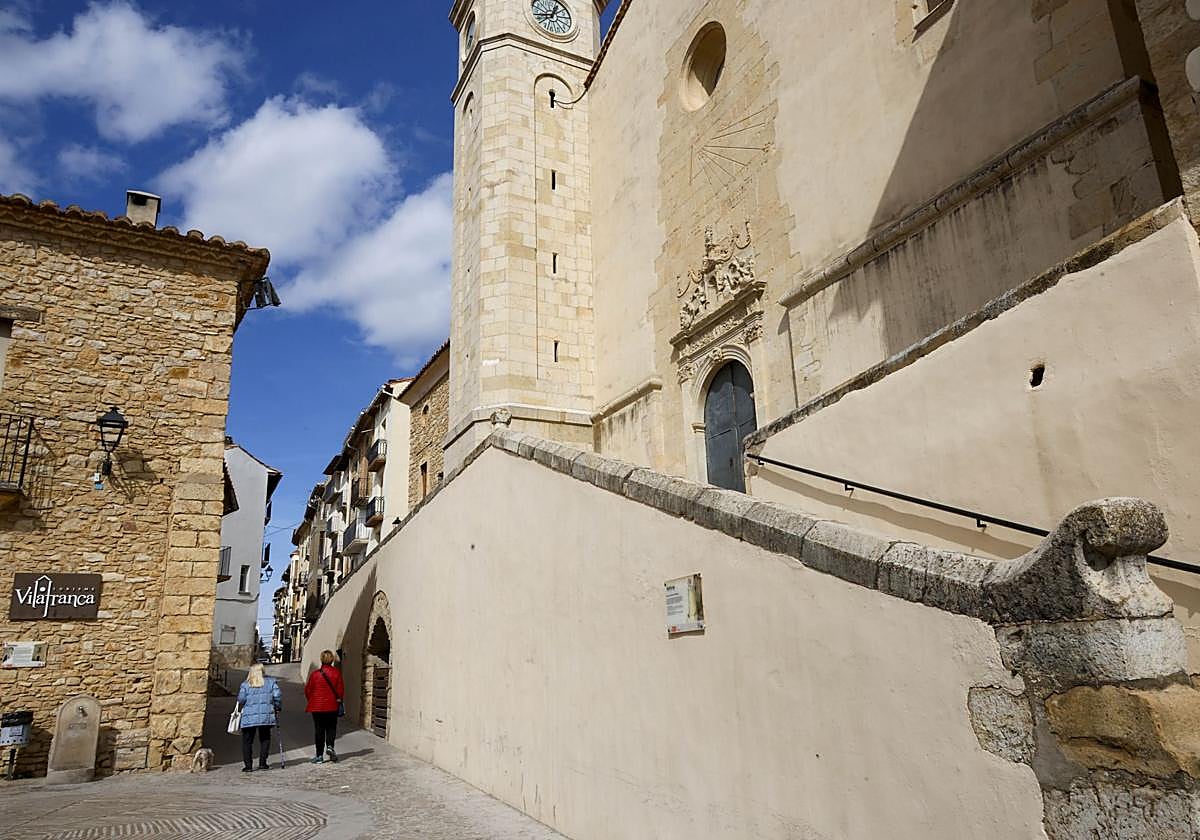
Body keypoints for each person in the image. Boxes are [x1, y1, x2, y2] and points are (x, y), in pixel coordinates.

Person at [236, 663, 282, 772]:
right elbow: (277, 696)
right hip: (266, 715)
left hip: (249, 716)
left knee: (247, 741)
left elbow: (241, 700)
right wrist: (278, 707)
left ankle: (248, 766)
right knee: (265, 739)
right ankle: (262, 763)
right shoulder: (271, 682)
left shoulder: (245, 685)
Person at [304, 649, 344, 764]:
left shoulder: (315, 675)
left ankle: (319, 756)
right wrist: (339, 701)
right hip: (332, 706)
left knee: (319, 730)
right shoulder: (336, 673)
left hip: (317, 707)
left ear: (321, 659)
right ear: (331, 660)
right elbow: (340, 690)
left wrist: (312, 700)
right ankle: (330, 746)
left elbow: (308, 690)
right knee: (331, 728)